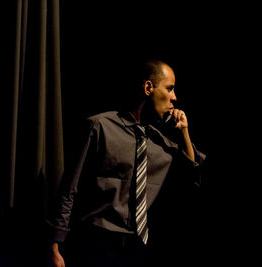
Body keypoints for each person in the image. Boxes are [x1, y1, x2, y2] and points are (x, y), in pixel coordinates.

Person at [46, 59, 206, 267]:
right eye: (170, 88)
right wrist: (55, 245)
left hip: (139, 250)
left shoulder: (162, 144)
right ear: (149, 88)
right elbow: (70, 188)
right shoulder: (100, 127)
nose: (174, 97)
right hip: (96, 244)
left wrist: (184, 132)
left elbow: (191, 178)